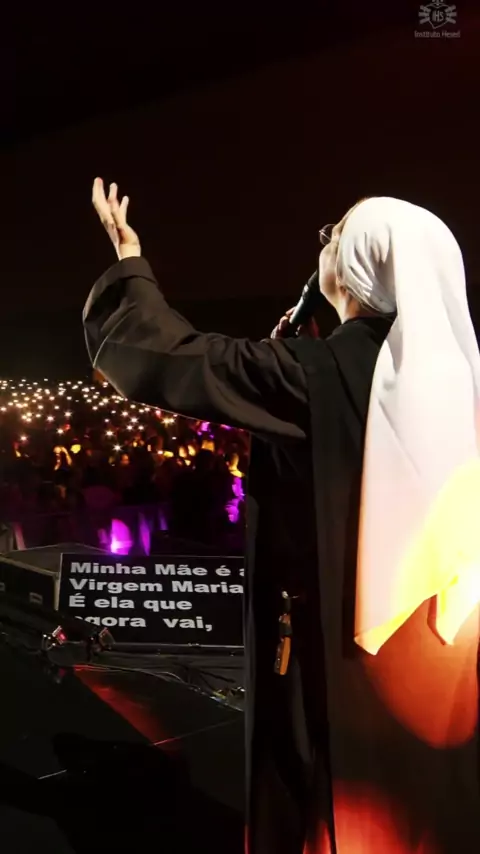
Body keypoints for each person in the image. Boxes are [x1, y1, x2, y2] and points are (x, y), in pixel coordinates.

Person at [84, 179, 480, 854]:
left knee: (332, 795)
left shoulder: (323, 373)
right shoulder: (460, 376)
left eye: (334, 235)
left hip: (336, 651)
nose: (323, 244)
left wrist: (130, 268)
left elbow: (174, 358)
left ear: (358, 263)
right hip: (444, 660)